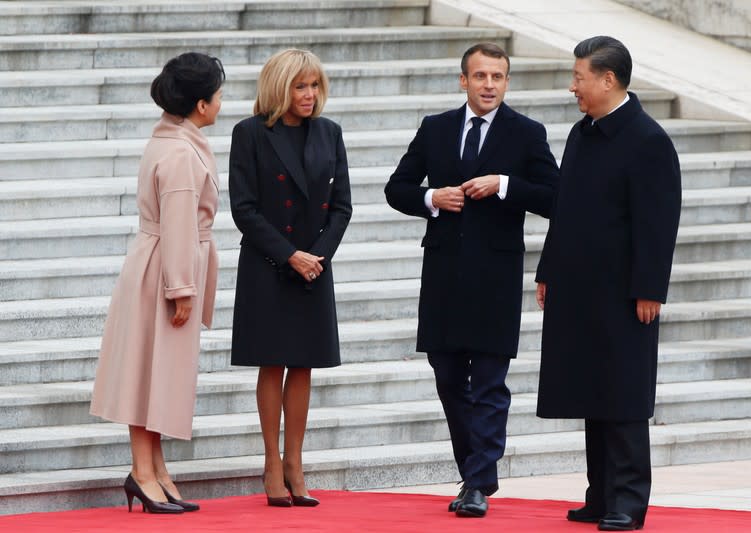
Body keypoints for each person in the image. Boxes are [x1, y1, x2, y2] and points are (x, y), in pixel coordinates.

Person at [384, 42, 559, 518]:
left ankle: (477, 483)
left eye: (497, 77)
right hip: (442, 275)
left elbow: (556, 197)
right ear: (463, 80)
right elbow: (396, 188)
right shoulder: (435, 128)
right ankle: (476, 472)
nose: (488, 85)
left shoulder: (526, 133)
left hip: (495, 279)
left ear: (506, 81)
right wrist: (432, 197)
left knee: (488, 382)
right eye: (480, 76)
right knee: (447, 378)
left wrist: (505, 185)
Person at [535, 36, 682, 531]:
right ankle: (599, 495)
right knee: (590, 391)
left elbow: (658, 223)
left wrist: (650, 289)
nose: (572, 86)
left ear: (608, 79)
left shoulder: (647, 140)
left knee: (623, 394)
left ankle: (628, 501)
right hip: (578, 288)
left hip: (624, 292)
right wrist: (547, 271)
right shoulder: (582, 134)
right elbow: (564, 210)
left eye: (579, 77)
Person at [90, 52, 225, 514]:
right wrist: (181, 288)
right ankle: (143, 472)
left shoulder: (169, 139)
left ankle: (154, 468)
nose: (221, 102)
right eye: (219, 94)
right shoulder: (180, 152)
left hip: (157, 262)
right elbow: (181, 222)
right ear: (202, 105)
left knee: (153, 374)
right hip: (167, 267)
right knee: (151, 374)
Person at [228, 48, 352, 508]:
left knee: (304, 363)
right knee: (272, 361)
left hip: (314, 265)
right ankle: (270, 463)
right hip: (268, 263)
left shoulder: (330, 132)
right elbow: (244, 208)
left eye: (315, 85)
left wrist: (315, 256)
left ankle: (296, 462)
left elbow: (342, 206)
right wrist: (289, 255)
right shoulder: (250, 133)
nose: (310, 94)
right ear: (280, 87)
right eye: (301, 85)